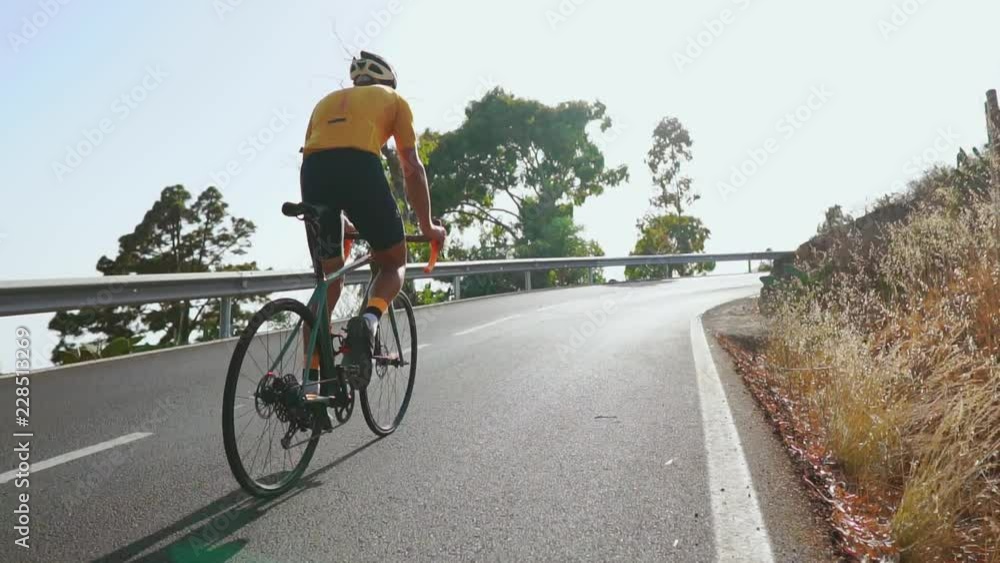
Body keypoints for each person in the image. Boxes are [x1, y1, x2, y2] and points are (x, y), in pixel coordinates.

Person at [299, 51, 446, 403]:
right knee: (393, 261)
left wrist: (339, 219)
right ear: (388, 81)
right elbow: (411, 166)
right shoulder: (394, 100)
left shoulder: (324, 103)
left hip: (313, 175)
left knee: (328, 284)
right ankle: (367, 321)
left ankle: (312, 386)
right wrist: (428, 226)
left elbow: (313, 159)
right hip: (360, 169)